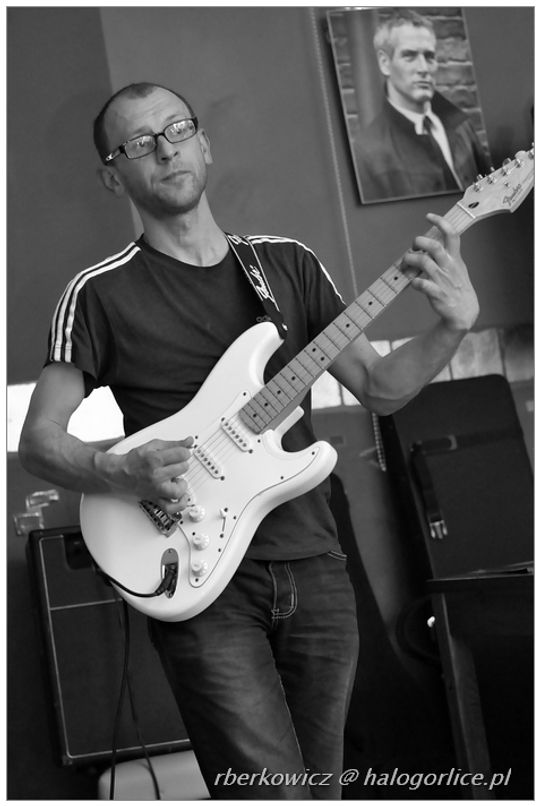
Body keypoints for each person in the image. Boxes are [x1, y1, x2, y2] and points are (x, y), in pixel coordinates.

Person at [19, 81, 479, 799]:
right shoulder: (98, 294)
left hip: (314, 564)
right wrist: (121, 471)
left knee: (321, 792)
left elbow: (380, 387)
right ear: (113, 176)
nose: (165, 149)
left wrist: (452, 325)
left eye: (178, 129)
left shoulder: (285, 265)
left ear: (205, 143)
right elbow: (40, 442)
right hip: (200, 575)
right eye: (139, 142)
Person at [357, 9, 491, 202]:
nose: (423, 68)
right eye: (409, 56)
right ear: (385, 63)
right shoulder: (369, 152)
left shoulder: (462, 126)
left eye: (429, 56)